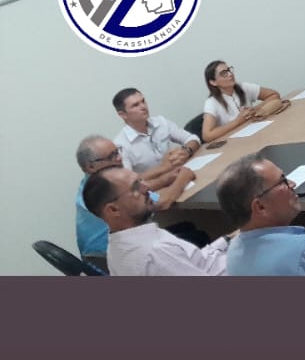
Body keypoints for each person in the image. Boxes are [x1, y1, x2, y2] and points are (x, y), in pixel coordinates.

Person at [74, 135, 195, 267]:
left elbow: (134, 188)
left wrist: (165, 179)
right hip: (118, 258)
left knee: (188, 228)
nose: (119, 158)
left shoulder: (90, 186)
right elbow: (162, 203)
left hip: (115, 252)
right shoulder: (98, 193)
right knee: (195, 236)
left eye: (117, 152)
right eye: (111, 156)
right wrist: (184, 177)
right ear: (91, 167)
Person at [83, 167, 228, 276]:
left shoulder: (117, 247)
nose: (146, 187)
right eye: (135, 187)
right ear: (113, 209)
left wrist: (226, 240)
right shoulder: (155, 253)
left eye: (140, 180)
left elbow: (193, 260)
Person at [113, 87, 202, 174]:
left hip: (181, 172)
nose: (143, 106)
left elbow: (192, 138)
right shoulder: (121, 145)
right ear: (123, 114)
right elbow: (129, 179)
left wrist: (186, 151)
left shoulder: (161, 122)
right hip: (157, 182)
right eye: (135, 105)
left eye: (143, 101)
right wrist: (164, 168)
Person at [201, 60, 282, 143]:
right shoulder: (211, 102)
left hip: (256, 134)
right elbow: (207, 136)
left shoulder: (243, 87)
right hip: (234, 143)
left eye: (229, 70)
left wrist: (255, 109)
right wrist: (238, 121)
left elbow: (274, 95)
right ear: (213, 82)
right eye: (224, 73)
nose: (230, 74)